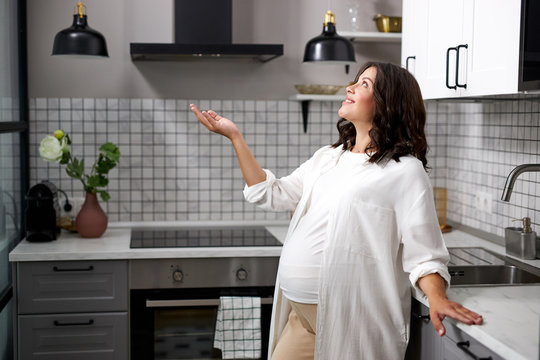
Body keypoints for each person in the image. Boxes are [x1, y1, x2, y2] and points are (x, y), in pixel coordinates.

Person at [190, 61, 483, 360]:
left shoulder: (405, 171)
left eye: (364, 85)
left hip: (351, 322)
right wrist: (235, 137)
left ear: (388, 104)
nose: (350, 88)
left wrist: (437, 297)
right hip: (302, 318)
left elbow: (425, 254)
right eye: (356, 81)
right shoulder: (328, 157)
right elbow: (272, 193)